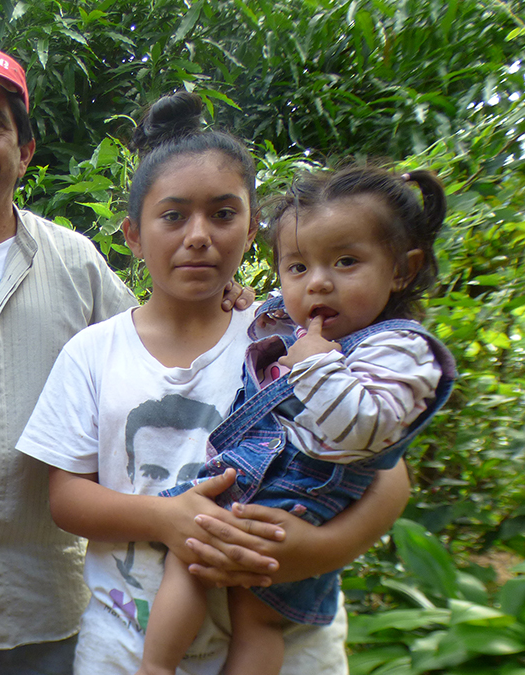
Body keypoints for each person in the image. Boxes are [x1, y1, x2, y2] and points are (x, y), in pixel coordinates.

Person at [0, 45, 253, 674]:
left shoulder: (76, 263)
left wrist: (217, 300)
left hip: (50, 578)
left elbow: (147, 348)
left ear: (24, 151)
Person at [15, 91, 414, 674]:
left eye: (223, 214)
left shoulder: (289, 338)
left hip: (289, 642)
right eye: (173, 215)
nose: (198, 235)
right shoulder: (93, 352)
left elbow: (391, 477)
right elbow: (66, 497)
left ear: (253, 228)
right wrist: (165, 519)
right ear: (132, 234)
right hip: (127, 644)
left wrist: (311, 552)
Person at [139, 166, 456, 675]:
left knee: (258, 619)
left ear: (402, 269)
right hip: (243, 479)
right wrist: (240, 298)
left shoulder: (402, 350)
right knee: (190, 562)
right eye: (298, 268)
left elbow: (365, 429)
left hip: (300, 503)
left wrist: (316, 363)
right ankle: (154, 667)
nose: (319, 283)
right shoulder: (298, 320)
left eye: (346, 262)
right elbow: (265, 322)